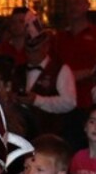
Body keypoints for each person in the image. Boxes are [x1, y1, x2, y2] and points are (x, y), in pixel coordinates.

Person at [12, 10, 77, 142]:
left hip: (52, 136)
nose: (31, 56)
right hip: (24, 137)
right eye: (28, 52)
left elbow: (70, 102)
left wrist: (38, 100)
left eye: (35, 51)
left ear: (46, 47)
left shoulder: (60, 70)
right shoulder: (18, 70)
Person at [54, 0, 96, 146]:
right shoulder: (58, 38)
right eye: (69, 4)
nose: (73, 7)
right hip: (62, 106)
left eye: (77, 3)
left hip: (88, 104)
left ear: (87, 6)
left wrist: (79, 75)